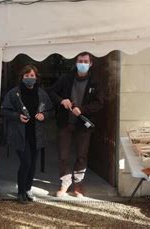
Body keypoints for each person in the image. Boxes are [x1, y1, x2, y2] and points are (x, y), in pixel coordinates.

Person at [49, 52, 104, 197]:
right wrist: (62, 100)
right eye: (80, 61)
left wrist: (83, 109)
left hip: (83, 124)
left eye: (86, 61)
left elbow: (99, 103)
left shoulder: (95, 82)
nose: (83, 64)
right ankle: (65, 183)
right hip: (65, 122)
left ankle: (78, 184)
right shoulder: (66, 78)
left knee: (82, 156)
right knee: (63, 155)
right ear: (76, 62)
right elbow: (51, 92)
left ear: (91, 64)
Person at [0, 65, 53, 204]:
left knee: (32, 164)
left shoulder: (42, 93)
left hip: (36, 134)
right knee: (26, 162)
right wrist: (17, 116)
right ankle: (20, 192)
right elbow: (4, 110)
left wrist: (44, 115)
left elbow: (51, 111)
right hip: (20, 134)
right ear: (22, 77)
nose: (30, 78)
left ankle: (28, 190)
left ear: (36, 78)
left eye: (32, 76)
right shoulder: (14, 93)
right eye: (27, 76)